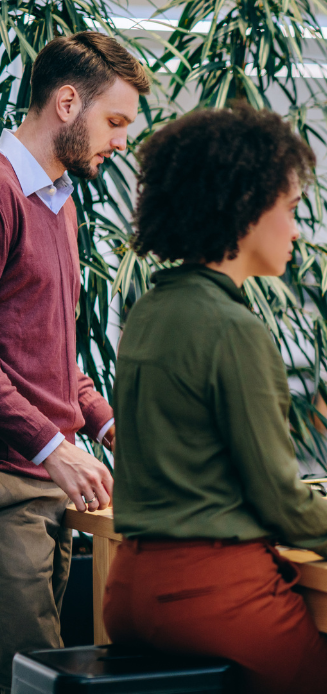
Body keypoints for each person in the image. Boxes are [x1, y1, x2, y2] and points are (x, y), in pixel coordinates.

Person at [102, 106, 327, 694]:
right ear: (245, 207)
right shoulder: (231, 326)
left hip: (133, 589)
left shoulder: (150, 311)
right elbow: (281, 504)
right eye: (291, 208)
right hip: (213, 596)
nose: (297, 230)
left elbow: (213, 483)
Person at [0, 32, 150, 693]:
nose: (121, 141)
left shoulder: (58, 201)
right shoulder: (3, 191)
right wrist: (51, 444)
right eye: (114, 121)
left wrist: (106, 421)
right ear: (67, 103)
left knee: (45, 672)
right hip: (11, 485)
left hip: (47, 488)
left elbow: (48, 349)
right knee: (27, 677)